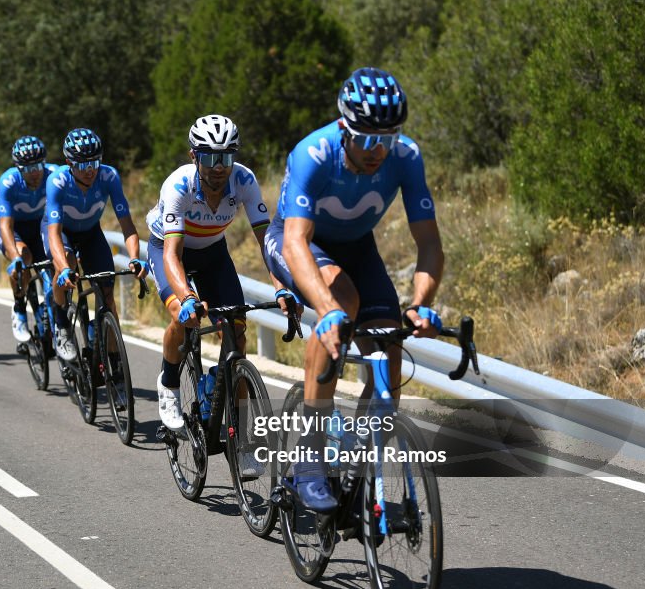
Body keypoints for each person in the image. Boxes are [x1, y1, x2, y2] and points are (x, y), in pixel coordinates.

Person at [264, 67, 444, 512]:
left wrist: (420, 305)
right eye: (366, 139)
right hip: (295, 241)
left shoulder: (406, 157)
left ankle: (361, 466)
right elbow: (295, 241)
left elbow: (430, 244)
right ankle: (307, 457)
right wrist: (325, 311)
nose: (377, 151)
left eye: (387, 140)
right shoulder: (313, 153)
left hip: (357, 247)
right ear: (344, 129)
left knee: (389, 344)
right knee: (342, 303)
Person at [146, 115, 295, 464]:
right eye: (209, 158)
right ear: (193, 157)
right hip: (169, 248)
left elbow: (267, 241)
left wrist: (282, 287)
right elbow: (171, 254)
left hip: (213, 252)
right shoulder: (179, 185)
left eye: (226, 158)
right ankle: (168, 385)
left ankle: (239, 437)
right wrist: (186, 298)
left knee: (237, 338)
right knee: (182, 318)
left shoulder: (244, 181)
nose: (218, 167)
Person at [44, 128, 147, 361]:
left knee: (107, 295)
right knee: (66, 264)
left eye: (94, 162)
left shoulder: (109, 176)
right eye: (82, 165)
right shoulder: (57, 181)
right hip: (63, 233)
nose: (90, 170)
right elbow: (54, 234)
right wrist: (64, 268)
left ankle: (114, 362)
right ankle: (61, 325)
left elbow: (128, 226)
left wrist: (134, 257)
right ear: (69, 162)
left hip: (91, 232)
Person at [0, 135, 57, 343]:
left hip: (39, 227)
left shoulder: (54, 175)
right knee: (23, 258)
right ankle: (19, 308)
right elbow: (5, 225)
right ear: (18, 167)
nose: (35, 172)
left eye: (38, 165)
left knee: (51, 270)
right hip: (13, 229)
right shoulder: (8, 181)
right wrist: (15, 258)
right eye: (28, 168)